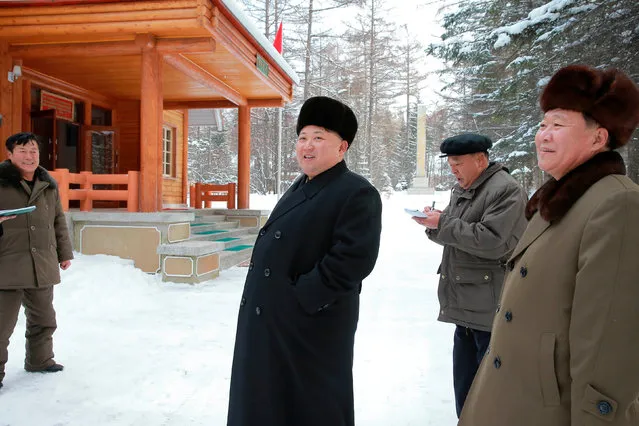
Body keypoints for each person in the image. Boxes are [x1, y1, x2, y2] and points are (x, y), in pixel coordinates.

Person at [458, 64, 639, 426]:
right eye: (542, 125)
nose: (543, 136)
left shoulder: (617, 205)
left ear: (598, 138)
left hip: (545, 410)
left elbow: (607, 349)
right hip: (506, 397)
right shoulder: (558, 199)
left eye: (558, 125)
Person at [226, 96, 383, 426]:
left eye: (318, 137)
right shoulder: (301, 185)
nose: (307, 146)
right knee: (267, 405)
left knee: (309, 408)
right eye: (302, 137)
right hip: (273, 327)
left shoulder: (356, 192)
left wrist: (299, 299)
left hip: (309, 331)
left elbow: (353, 260)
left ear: (342, 147)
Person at [412, 133, 527, 417]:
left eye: (458, 163)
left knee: (489, 398)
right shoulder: (463, 189)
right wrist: (433, 223)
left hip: (491, 312)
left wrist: (444, 223)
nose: (454, 170)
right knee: (466, 396)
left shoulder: (505, 189)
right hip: (466, 310)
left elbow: (493, 241)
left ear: (480, 159)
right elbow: (454, 235)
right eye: (450, 164)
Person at [0, 132, 73, 390]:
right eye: (22, 151)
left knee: (44, 318)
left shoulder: (47, 184)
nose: (29, 156)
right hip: (6, 264)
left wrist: (64, 253)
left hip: (41, 262)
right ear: (9, 154)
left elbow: (58, 221)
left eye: (33, 151)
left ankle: (40, 360)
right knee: (1, 326)